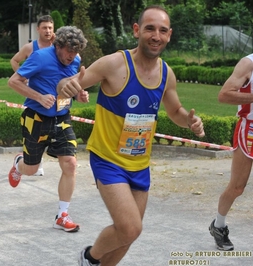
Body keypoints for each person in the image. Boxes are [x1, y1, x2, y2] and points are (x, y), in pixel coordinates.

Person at [57, 6, 205, 265]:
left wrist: (189, 122)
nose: (155, 36)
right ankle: (89, 258)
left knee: (128, 236)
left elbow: (176, 111)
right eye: (149, 28)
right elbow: (68, 85)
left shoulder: (166, 74)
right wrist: (65, 85)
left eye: (162, 30)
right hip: (108, 160)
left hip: (139, 163)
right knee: (130, 228)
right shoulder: (114, 64)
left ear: (169, 35)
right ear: (137, 30)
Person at [7, 26, 88, 232]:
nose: (72, 56)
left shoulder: (75, 61)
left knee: (70, 164)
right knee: (32, 169)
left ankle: (62, 215)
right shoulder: (41, 57)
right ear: (58, 46)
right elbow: (13, 81)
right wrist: (39, 97)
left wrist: (79, 95)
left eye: (76, 51)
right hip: (36, 118)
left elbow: (69, 87)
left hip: (62, 118)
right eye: (69, 51)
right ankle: (19, 165)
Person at [208, 54, 253, 251]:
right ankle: (219, 226)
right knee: (237, 187)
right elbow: (224, 95)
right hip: (250, 129)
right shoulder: (248, 63)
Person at [10, 14, 55, 176]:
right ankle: (33, 162)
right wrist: (23, 78)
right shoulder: (30, 48)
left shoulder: (58, 47)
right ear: (38, 29)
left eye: (50, 27)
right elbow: (14, 61)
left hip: (54, 99)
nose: (48, 31)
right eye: (44, 28)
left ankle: (35, 161)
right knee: (36, 129)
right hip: (36, 96)